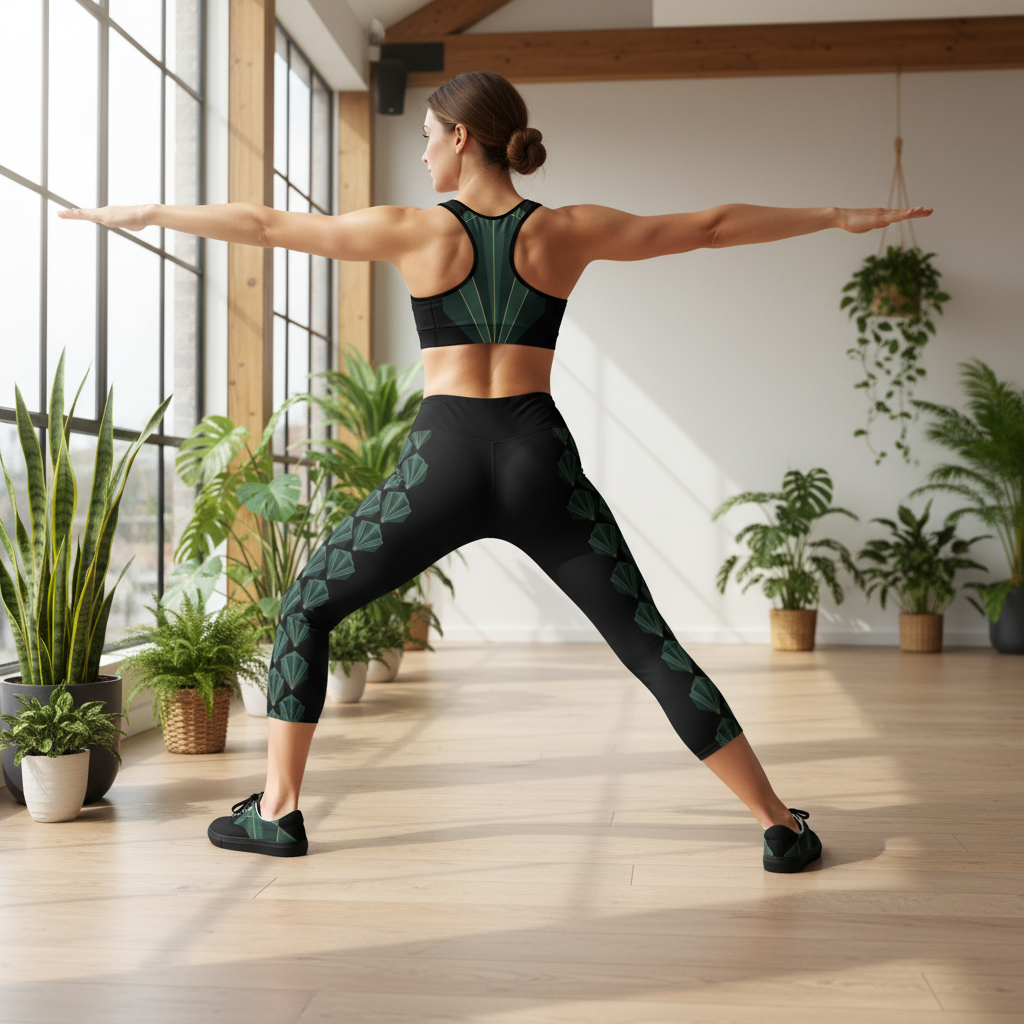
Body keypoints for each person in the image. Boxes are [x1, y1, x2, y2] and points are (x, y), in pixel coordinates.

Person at [61, 71, 930, 872]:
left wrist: (144, 213)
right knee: (647, 642)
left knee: (307, 605)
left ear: (465, 137)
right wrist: (832, 216)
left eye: (432, 134)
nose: (426, 149)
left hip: (442, 459)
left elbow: (264, 226)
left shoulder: (414, 231)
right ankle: (779, 823)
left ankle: (278, 812)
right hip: (536, 455)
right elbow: (705, 228)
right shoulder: (564, 230)